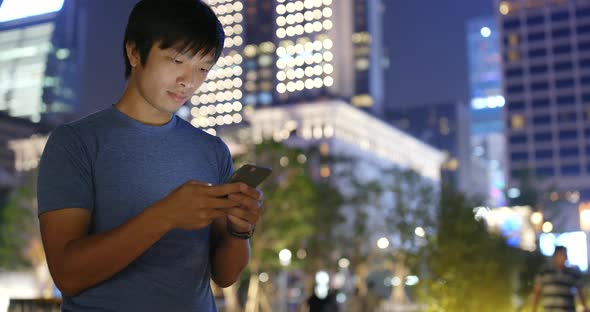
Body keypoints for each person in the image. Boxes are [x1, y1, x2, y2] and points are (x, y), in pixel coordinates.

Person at [36, 0, 263, 311]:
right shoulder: (75, 143)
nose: (190, 80)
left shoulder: (211, 151)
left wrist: (239, 229)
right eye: (177, 60)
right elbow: (67, 274)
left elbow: (224, 275)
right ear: (134, 53)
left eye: (202, 68)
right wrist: (165, 215)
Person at [532, 246, 588, 312]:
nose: (563, 257)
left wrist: (585, 307)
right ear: (555, 256)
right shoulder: (544, 271)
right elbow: (537, 291)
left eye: (564, 255)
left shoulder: (572, 273)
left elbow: (580, 291)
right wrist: (534, 309)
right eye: (561, 254)